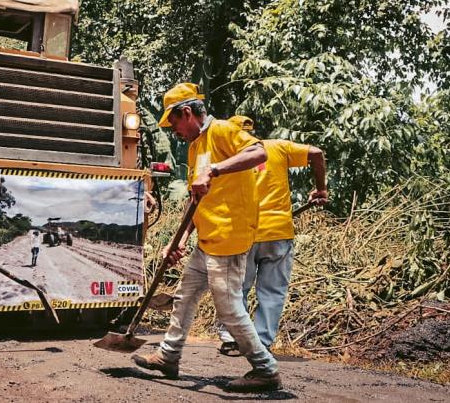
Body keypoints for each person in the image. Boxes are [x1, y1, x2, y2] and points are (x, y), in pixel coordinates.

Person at [131, 83, 281, 393]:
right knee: (185, 296)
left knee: (228, 308)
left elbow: (258, 151)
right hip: (206, 238)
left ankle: (265, 369)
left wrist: (214, 169)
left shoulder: (224, 131)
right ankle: (168, 356)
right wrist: (180, 239)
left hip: (229, 237)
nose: (173, 131)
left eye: (173, 123)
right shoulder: (195, 145)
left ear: (186, 113)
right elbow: (196, 198)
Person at [216, 116, 328, 355]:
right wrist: (321, 188)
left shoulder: (225, 159)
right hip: (278, 232)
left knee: (235, 288)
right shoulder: (277, 147)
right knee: (272, 291)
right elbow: (317, 153)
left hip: (242, 234)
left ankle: (231, 339)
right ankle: (262, 343)